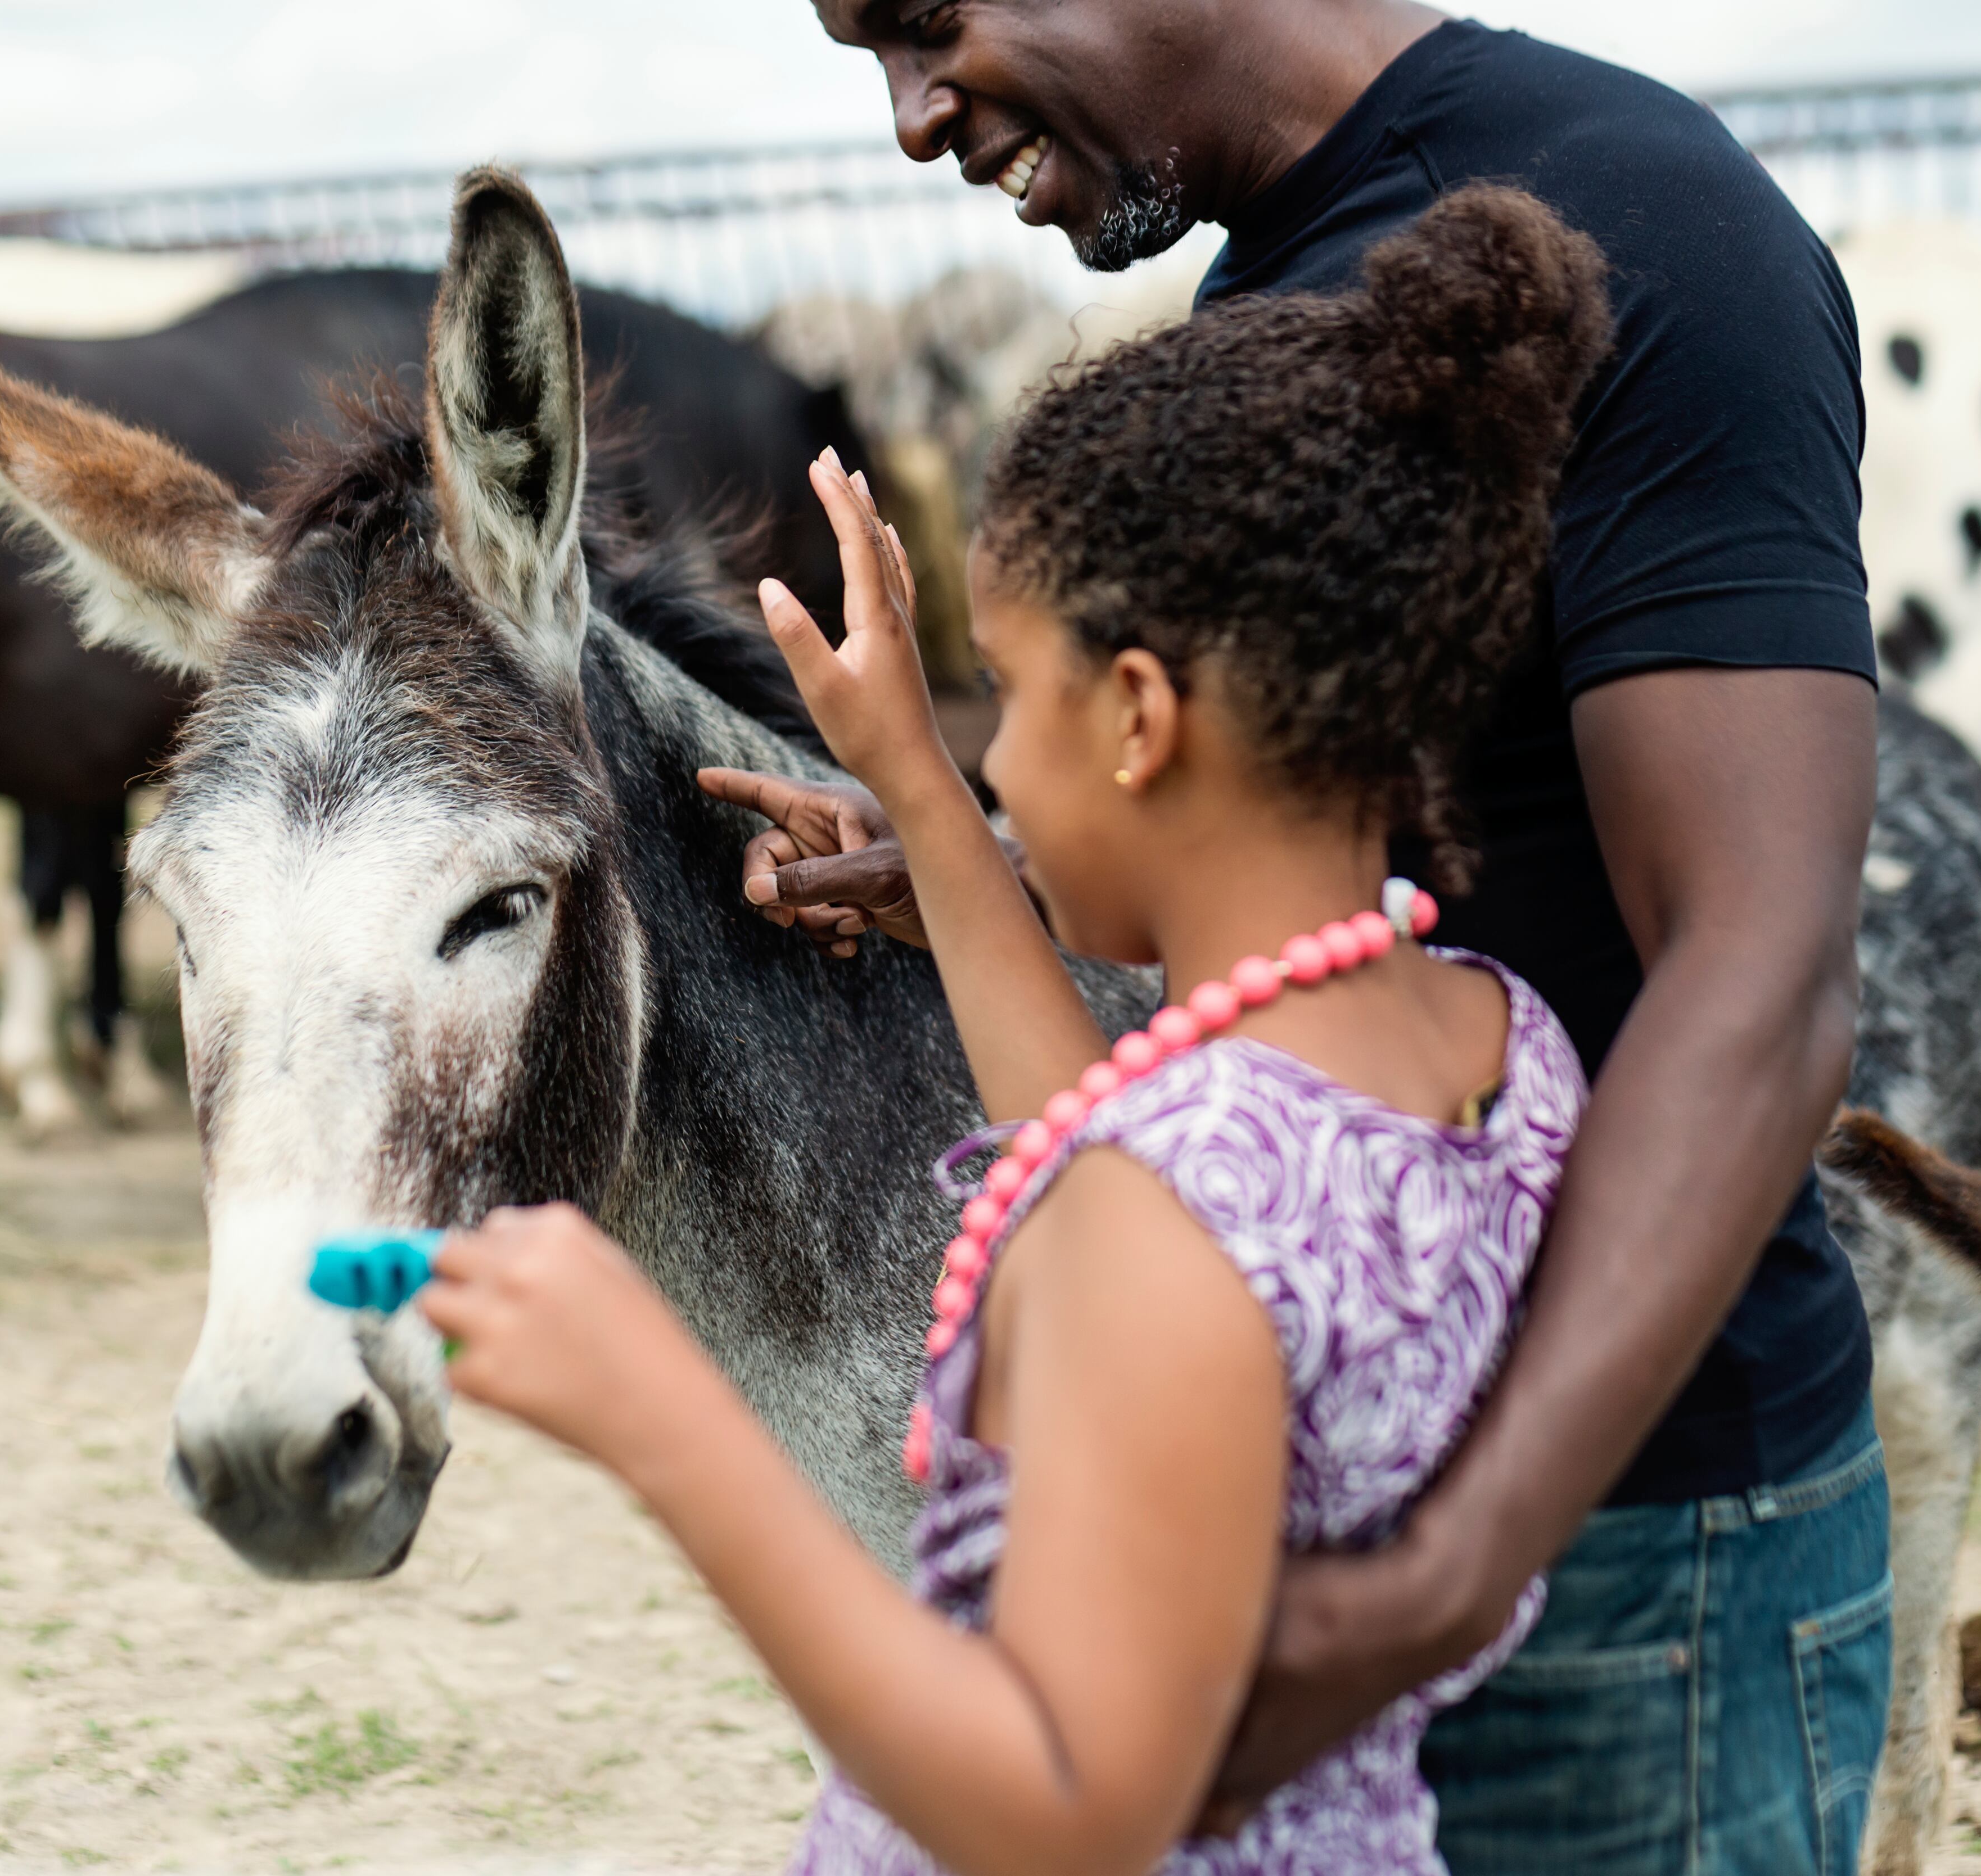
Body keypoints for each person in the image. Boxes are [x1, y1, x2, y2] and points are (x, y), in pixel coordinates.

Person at [729, 4, 1894, 1871]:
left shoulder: (1649, 224)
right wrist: (989, 846)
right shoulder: (1269, 287)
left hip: (1614, 1564)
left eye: (923, 18)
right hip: (1363, 1542)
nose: (910, 119)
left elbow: (1761, 973)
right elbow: (1296, 902)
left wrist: (1452, 1570)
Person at [420, 188, 1608, 1872]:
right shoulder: (1498, 1048)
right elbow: (1123, 1178)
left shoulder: (1165, 1220)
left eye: (1016, 694)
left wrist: (660, 1420)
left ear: (1137, 716)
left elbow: (1070, 1811)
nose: (1003, 763)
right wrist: (914, 776)